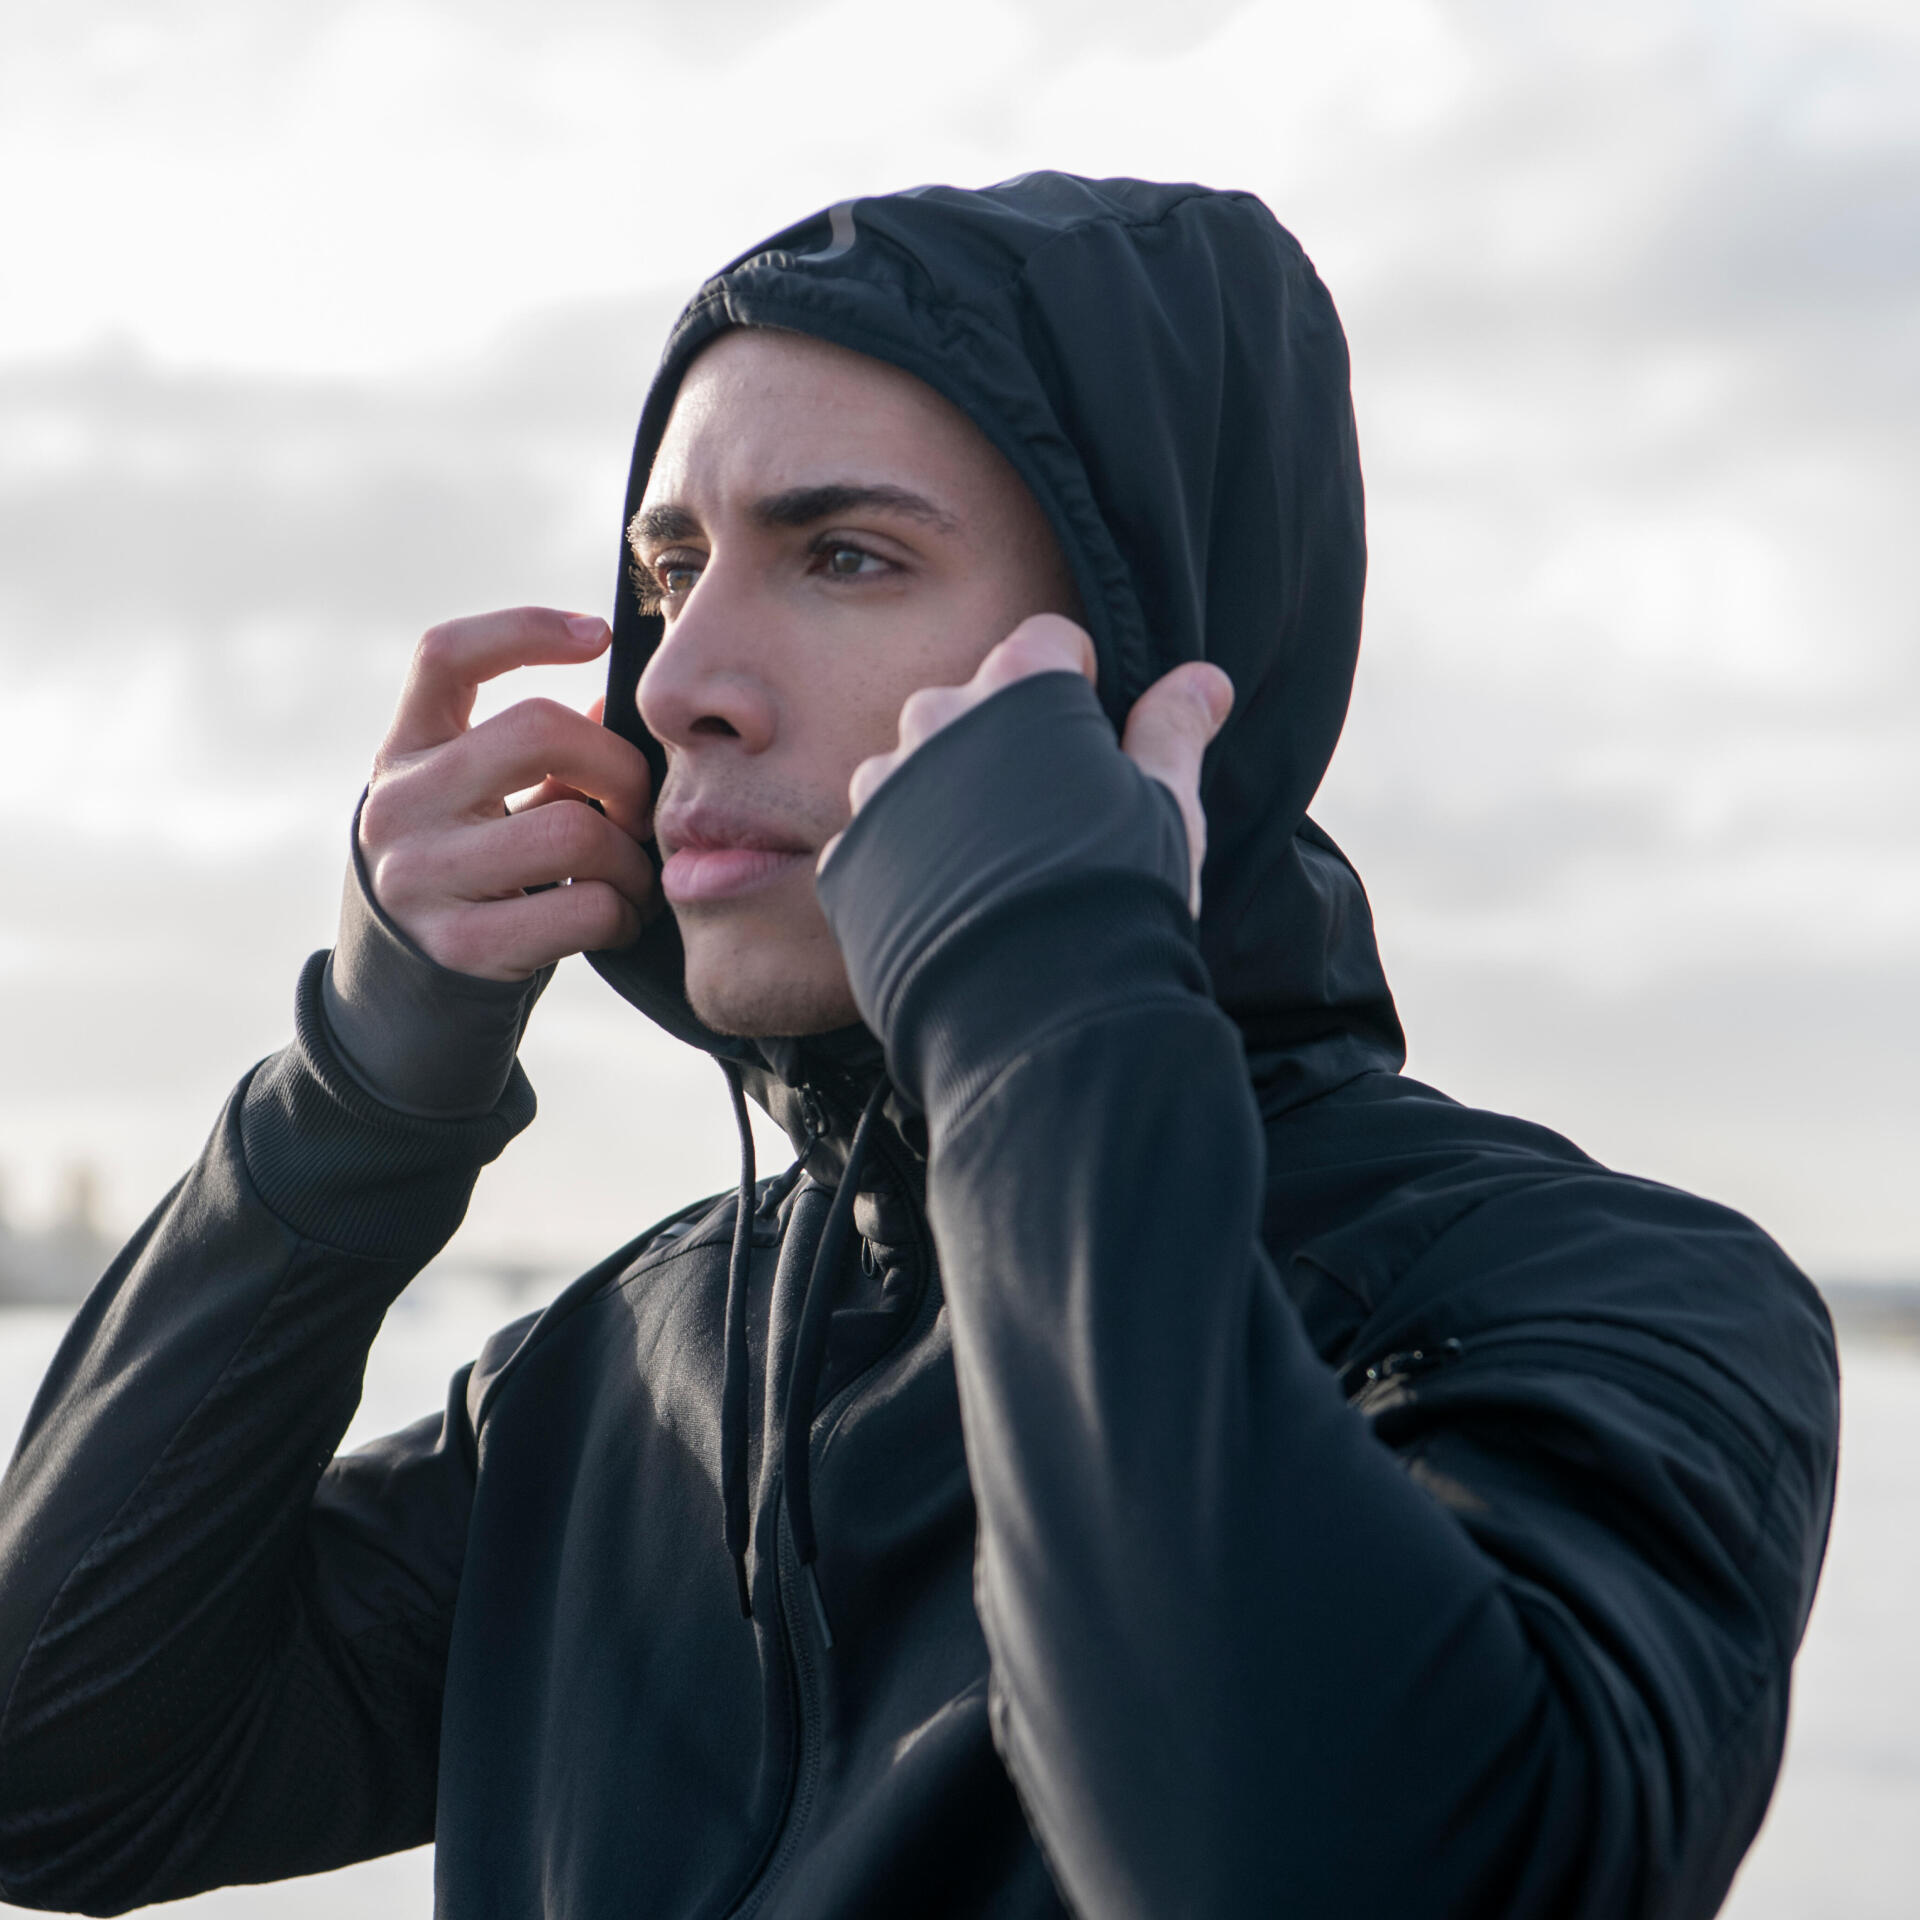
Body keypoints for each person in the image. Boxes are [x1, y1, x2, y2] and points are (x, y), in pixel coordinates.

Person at [0, 174, 1838, 1919]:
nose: (669, 681)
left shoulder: (1614, 1303)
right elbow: (59, 1774)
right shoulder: (625, 1374)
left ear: (1152, 650)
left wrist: (1044, 992)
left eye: (847, 555)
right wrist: (352, 1107)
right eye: (672, 561)